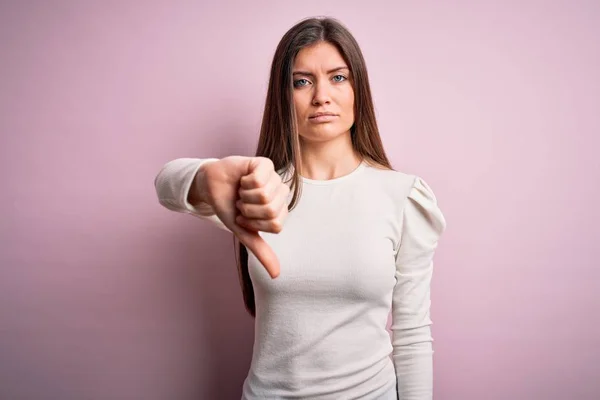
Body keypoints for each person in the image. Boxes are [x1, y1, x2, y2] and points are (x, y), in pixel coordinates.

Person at [154, 16, 446, 400]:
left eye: (338, 77)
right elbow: (165, 185)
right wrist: (208, 176)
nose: (321, 95)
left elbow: (412, 337)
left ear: (359, 88)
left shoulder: (403, 196)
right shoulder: (261, 191)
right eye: (302, 81)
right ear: (283, 95)